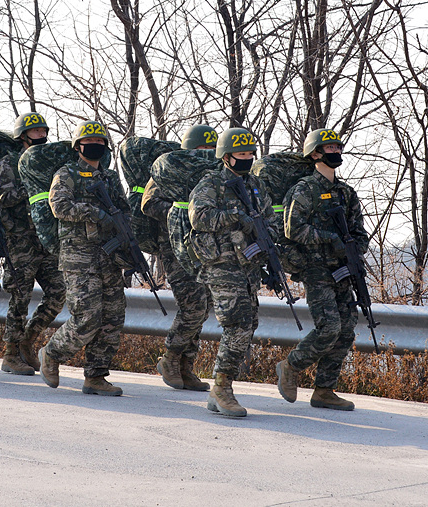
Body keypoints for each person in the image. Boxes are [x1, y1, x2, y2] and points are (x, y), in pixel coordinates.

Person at [275, 128, 368, 411]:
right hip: (315, 268)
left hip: (342, 269)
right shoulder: (304, 189)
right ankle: (291, 366)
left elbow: (359, 231)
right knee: (329, 327)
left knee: (347, 329)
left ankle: (324, 390)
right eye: (330, 149)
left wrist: (353, 249)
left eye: (338, 148)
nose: (336, 153)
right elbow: (293, 229)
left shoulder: (345, 192)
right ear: (315, 153)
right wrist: (330, 240)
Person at [189, 127, 275, 418]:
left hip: (248, 264)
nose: (247, 159)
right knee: (237, 325)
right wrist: (236, 218)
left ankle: (222, 387)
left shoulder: (256, 185)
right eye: (241, 154)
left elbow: (270, 218)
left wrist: (268, 246)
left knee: (249, 325)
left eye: (251, 153)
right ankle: (221, 389)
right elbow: (199, 217)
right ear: (225, 156)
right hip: (222, 265)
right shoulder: (211, 183)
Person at [37, 120, 128, 396]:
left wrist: (126, 236)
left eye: (101, 143)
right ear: (78, 146)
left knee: (113, 317)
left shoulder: (110, 178)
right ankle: (51, 354)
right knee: (87, 316)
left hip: (109, 256)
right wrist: (93, 213)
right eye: (91, 142)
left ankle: (96, 376)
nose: (96, 146)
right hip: (79, 256)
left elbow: (123, 208)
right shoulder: (66, 174)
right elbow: (59, 206)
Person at [142, 125, 217, 391]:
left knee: (204, 306)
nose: (206, 155)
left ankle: (187, 366)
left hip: (205, 248)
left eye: (211, 149)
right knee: (194, 305)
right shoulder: (171, 170)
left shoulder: (215, 173)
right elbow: (148, 204)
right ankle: (171, 358)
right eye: (201, 149)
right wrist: (184, 211)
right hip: (175, 246)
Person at [0, 112, 67, 376]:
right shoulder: (10, 162)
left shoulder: (48, 164)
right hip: (20, 240)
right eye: (36, 132)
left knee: (60, 292)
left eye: (43, 131)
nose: (42, 136)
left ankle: (28, 338)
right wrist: (35, 190)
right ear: (23, 135)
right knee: (20, 297)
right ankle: (11, 354)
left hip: (45, 238)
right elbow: (3, 196)